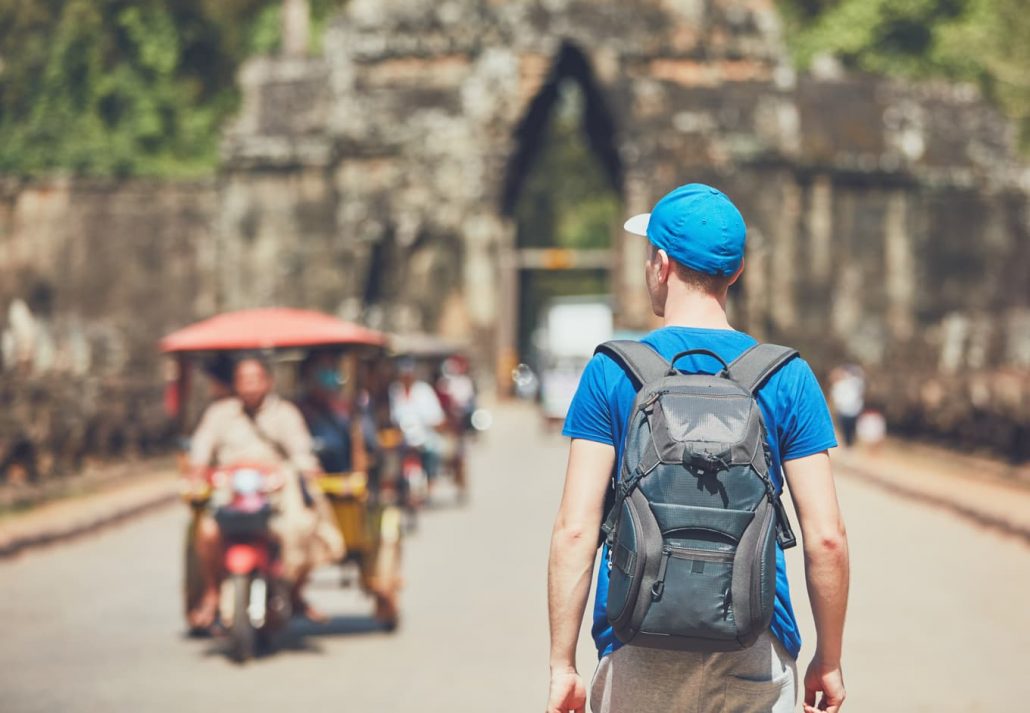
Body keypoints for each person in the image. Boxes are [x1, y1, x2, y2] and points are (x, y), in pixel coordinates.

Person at [546, 184, 850, 713]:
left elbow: (576, 529)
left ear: (660, 265)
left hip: (636, 640)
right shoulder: (786, 375)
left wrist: (562, 664)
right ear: (735, 273)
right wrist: (830, 657)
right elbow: (826, 538)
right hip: (754, 640)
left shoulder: (612, 370)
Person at [186, 357, 344, 629]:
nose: (249, 387)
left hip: (276, 490)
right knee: (208, 533)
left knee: (302, 528)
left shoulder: (285, 414)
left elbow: (300, 451)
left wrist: (306, 470)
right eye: (243, 381)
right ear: (235, 385)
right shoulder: (219, 414)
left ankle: (294, 591)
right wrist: (197, 468)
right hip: (232, 489)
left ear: (268, 382)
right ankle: (212, 592)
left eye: (254, 380)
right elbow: (202, 447)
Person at [389, 358, 445, 483]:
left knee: (432, 455)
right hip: (404, 440)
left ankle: (430, 481)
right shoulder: (395, 391)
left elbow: (436, 416)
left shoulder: (424, 391)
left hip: (425, 438)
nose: (406, 377)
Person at [830, 365, 866, 448]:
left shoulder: (854, 382)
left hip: (853, 411)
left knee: (851, 432)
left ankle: (850, 447)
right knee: (845, 432)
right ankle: (847, 447)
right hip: (843, 411)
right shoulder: (837, 385)